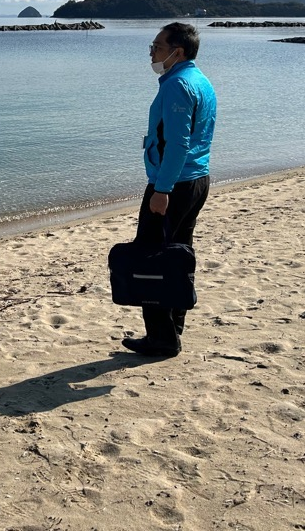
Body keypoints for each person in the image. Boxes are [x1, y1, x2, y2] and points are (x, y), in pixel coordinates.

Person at [122, 22, 217, 358]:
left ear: (178, 51)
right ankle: (173, 328)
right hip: (195, 179)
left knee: (152, 256)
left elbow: (177, 143)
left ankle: (161, 337)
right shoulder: (199, 80)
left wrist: (161, 189)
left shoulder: (177, 85)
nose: (152, 52)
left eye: (157, 46)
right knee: (177, 255)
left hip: (173, 183)